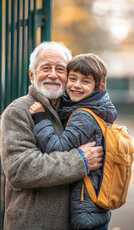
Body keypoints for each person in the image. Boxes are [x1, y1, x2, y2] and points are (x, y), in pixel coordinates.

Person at [0, 42, 104, 230]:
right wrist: (80, 161)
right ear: (32, 75)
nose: (53, 75)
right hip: (32, 224)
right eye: (45, 68)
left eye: (60, 69)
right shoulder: (18, 111)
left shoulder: (75, 109)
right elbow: (20, 169)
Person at [29, 53, 117, 230]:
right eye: (72, 79)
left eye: (85, 82)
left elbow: (58, 149)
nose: (76, 85)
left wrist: (41, 119)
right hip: (94, 209)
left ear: (99, 87)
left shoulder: (84, 115)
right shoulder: (98, 109)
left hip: (84, 213)